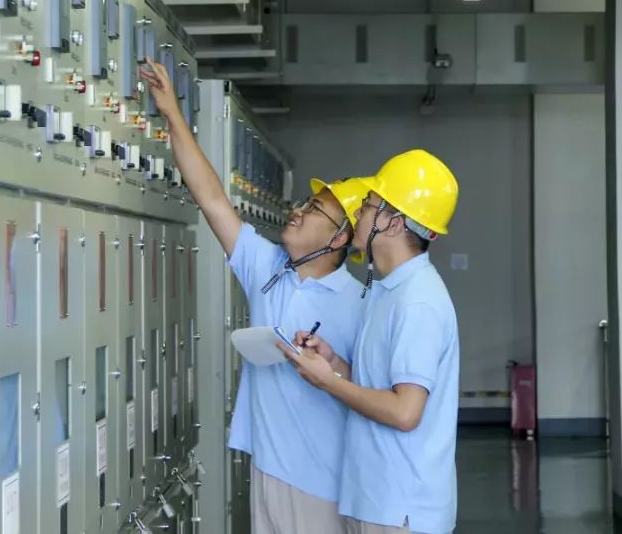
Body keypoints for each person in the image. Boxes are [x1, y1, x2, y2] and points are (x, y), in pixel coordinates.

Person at [141, 58, 366, 534]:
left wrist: (332, 368)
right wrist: (172, 112)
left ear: (339, 238)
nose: (297, 211)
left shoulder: (359, 304)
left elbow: (375, 394)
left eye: (314, 209)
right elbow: (212, 198)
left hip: (322, 482)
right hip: (267, 467)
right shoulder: (268, 267)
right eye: (303, 202)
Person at [279, 150, 460, 534]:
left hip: (401, 508)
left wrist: (327, 382)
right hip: (375, 498)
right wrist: (333, 364)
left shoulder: (418, 301)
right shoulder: (387, 290)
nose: (358, 213)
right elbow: (379, 386)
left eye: (368, 205)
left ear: (393, 223)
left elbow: (405, 412)